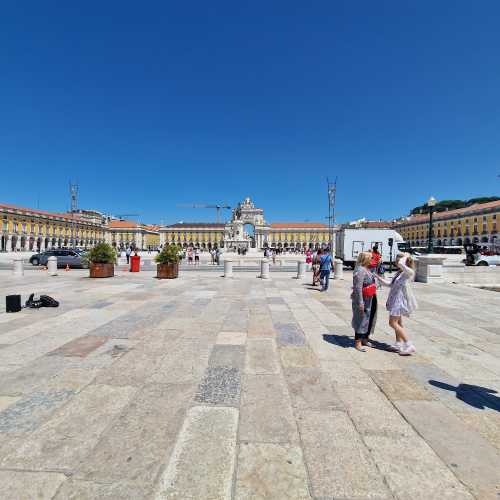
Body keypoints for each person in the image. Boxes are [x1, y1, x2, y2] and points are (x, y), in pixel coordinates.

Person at [374, 253, 418, 355]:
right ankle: (398, 343)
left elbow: (402, 264)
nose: (396, 262)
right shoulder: (399, 273)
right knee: (398, 323)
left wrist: (405, 257)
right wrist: (378, 277)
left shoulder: (408, 272)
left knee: (392, 323)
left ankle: (409, 344)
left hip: (399, 301)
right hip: (395, 300)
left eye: (397, 260)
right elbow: (390, 284)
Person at [351, 251, 378, 351]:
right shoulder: (360, 270)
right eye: (371, 258)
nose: (373, 260)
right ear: (366, 259)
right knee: (361, 318)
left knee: (369, 318)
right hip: (364, 299)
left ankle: (365, 339)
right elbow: (358, 287)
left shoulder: (368, 269)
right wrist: (360, 302)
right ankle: (358, 342)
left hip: (371, 297)